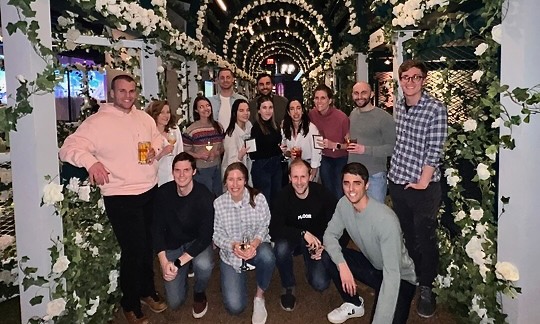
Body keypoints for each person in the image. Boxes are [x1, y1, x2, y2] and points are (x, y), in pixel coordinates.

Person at [59, 74, 166, 324]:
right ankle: (129, 302)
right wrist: (91, 162)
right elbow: (68, 147)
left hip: (149, 189)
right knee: (134, 249)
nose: (128, 96)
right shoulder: (97, 122)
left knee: (148, 245)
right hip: (121, 195)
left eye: (131, 91)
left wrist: (155, 148)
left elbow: (159, 138)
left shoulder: (144, 117)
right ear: (112, 93)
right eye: (122, 91)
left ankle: (146, 290)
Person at [388, 59, 448, 318]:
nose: (410, 82)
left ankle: (427, 287)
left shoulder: (435, 109)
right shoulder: (399, 107)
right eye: (405, 78)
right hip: (399, 181)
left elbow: (434, 150)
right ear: (400, 81)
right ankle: (415, 276)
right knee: (409, 235)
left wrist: (423, 181)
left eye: (415, 77)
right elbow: (400, 143)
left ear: (423, 79)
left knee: (426, 239)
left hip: (423, 187)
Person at [323, 163, 416, 324]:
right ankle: (354, 303)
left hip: (400, 277)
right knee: (328, 255)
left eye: (357, 183)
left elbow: (392, 274)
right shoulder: (344, 204)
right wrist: (342, 265)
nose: (351, 189)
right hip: (374, 265)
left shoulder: (386, 220)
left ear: (367, 185)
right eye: (347, 183)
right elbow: (329, 236)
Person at [152, 152, 214, 319]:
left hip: (196, 242)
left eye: (186, 170)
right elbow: (156, 230)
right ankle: (184, 272)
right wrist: (164, 263)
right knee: (175, 303)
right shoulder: (163, 193)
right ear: (172, 172)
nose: (181, 175)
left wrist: (178, 264)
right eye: (177, 170)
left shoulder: (204, 196)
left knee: (205, 264)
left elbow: (205, 237)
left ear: (194, 171)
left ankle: (199, 292)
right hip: (173, 244)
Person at [213, 162, 276, 324]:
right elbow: (216, 234)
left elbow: (265, 224)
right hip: (231, 254)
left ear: (246, 180)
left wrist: (255, 244)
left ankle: (259, 297)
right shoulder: (218, 204)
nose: (235, 184)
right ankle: (236, 271)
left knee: (268, 256)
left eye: (239, 179)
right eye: (230, 179)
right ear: (225, 182)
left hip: (256, 246)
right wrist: (233, 246)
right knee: (235, 307)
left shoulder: (258, 198)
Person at [270, 159, 334, 311]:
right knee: (280, 247)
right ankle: (288, 285)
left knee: (321, 284)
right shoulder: (282, 196)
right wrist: (302, 233)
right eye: (295, 177)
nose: (299, 182)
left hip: (316, 241)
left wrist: (326, 246)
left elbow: (338, 222)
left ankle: (309, 262)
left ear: (310, 176)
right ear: (290, 178)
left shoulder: (322, 193)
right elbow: (274, 228)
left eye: (303, 177)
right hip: (292, 237)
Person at [347, 82, 396, 203]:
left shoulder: (384, 118)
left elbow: (393, 148)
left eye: (364, 93)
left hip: (375, 176)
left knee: (375, 216)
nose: (359, 96)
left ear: (372, 94)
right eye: (356, 93)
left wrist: (365, 149)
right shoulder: (353, 114)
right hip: (353, 176)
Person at [309, 84, 350, 199]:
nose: (319, 101)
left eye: (323, 98)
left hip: (340, 159)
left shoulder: (341, 118)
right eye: (316, 98)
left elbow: (350, 145)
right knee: (326, 192)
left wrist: (335, 145)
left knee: (338, 192)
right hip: (324, 158)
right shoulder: (312, 114)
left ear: (330, 100)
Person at [183, 96, 225, 196]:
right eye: (201, 107)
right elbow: (185, 151)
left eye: (207, 105)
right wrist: (199, 156)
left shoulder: (218, 127)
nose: (206, 109)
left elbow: (223, 147)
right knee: (205, 197)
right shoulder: (191, 130)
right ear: (196, 110)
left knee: (218, 196)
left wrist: (217, 152)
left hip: (217, 167)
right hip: (201, 170)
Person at [249, 95, 283, 204]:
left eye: (270, 107)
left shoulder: (275, 125)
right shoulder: (256, 128)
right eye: (264, 108)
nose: (268, 111)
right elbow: (253, 154)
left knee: (276, 200)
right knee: (264, 201)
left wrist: (279, 150)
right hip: (262, 168)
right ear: (259, 110)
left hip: (276, 165)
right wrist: (276, 149)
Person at [281, 98, 322, 180]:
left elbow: (317, 153)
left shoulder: (312, 128)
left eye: (298, 108)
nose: (296, 112)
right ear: (289, 112)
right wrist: (289, 153)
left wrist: (312, 176)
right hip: (293, 167)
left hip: (309, 167)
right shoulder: (285, 128)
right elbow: (285, 150)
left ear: (302, 111)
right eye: (292, 109)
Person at [146, 100, 184, 186]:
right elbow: (148, 162)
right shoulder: (149, 134)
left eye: (168, 112)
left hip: (174, 176)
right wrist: (163, 153)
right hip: (157, 177)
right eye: (162, 112)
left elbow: (180, 152)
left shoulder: (174, 130)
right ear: (155, 114)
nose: (166, 116)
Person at [222, 98, 252, 180]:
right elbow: (230, 163)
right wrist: (240, 156)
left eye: (247, 110)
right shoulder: (231, 135)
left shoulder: (249, 126)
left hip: (247, 169)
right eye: (241, 110)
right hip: (235, 175)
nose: (246, 113)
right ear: (235, 113)